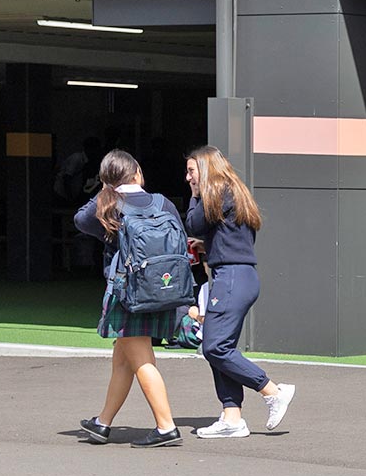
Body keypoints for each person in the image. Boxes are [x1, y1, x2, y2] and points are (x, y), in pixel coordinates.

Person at [183, 145, 296, 438]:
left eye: (192, 171)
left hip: (230, 278)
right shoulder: (235, 191)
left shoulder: (216, 191)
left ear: (206, 170)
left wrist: (196, 194)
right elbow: (233, 238)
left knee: (214, 347)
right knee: (220, 347)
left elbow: (193, 223)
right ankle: (231, 417)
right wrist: (207, 247)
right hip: (239, 276)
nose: (188, 178)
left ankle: (272, 391)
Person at [73, 150, 183, 448]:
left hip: (127, 293)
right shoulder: (163, 203)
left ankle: (166, 427)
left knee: (142, 359)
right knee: (123, 359)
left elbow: (81, 220)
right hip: (161, 287)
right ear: (137, 172)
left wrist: (106, 190)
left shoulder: (110, 207)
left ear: (107, 179)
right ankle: (103, 423)